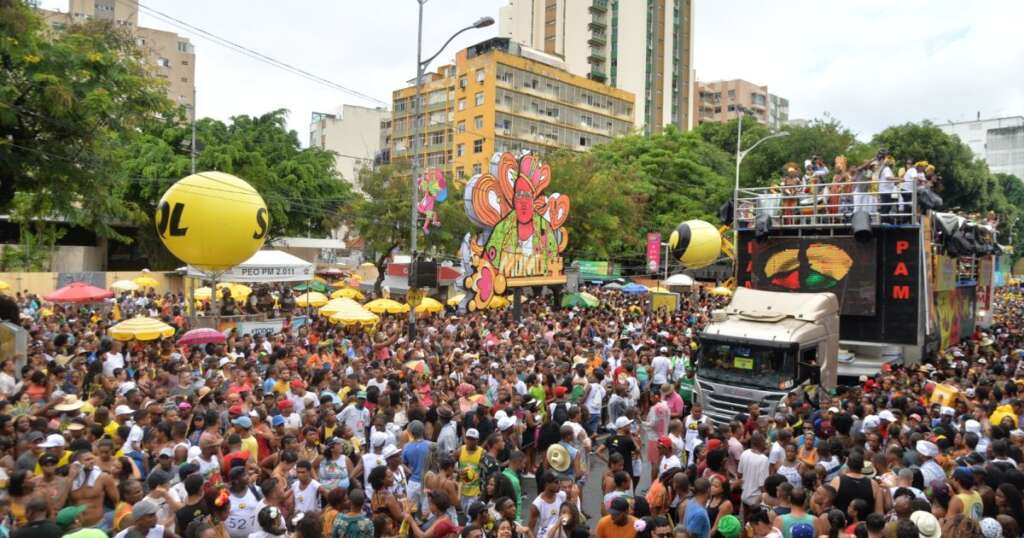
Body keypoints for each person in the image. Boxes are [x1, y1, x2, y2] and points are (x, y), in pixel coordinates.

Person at [528, 471, 566, 538]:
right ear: (547, 484)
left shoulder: (562, 496)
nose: (559, 484)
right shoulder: (536, 505)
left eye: (559, 482)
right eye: (556, 482)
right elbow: (530, 529)